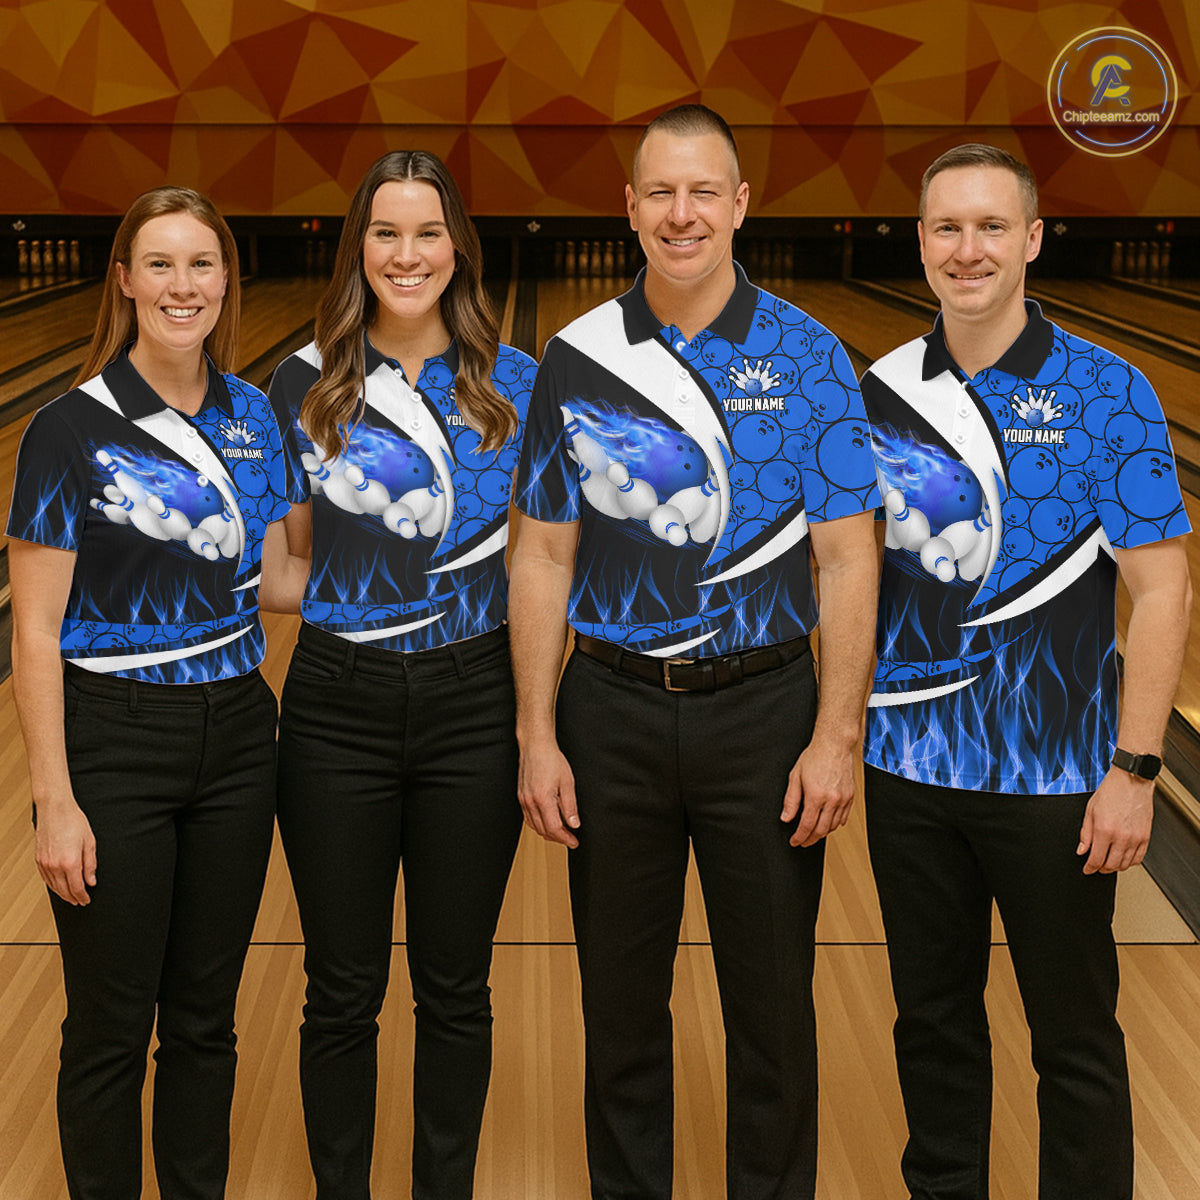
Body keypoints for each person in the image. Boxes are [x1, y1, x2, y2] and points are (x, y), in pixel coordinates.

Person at [510, 104, 880, 1199]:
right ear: (629, 209)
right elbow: (542, 553)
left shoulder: (809, 355)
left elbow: (848, 559)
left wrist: (837, 736)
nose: (682, 214)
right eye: (661, 193)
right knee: (620, 1011)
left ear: (740, 205)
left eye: (703, 191)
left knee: (773, 1013)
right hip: (611, 710)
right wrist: (536, 732)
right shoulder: (576, 358)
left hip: (765, 714)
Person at [859, 144, 1192, 1200]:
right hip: (909, 774)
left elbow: (1165, 590)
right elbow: (846, 578)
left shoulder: (1110, 390)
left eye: (992, 226)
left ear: (1034, 239)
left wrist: (1135, 770)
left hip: (1056, 783)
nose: (969, 250)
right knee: (932, 1025)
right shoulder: (880, 393)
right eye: (947, 228)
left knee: (1073, 1036)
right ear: (921, 242)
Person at [7, 186, 303, 1199]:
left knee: (204, 1022)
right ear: (126, 281)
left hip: (237, 736)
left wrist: (445, 576)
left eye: (202, 264)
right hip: (114, 739)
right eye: (162, 265)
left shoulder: (254, 415)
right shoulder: (67, 430)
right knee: (109, 1025)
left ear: (227, 279)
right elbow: (34, 631)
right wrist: (54, 800)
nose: (184, 286)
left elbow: (276, 577)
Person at [266, 150, 536, 1200]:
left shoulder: (517, 386)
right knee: (340, 991)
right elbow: (290, 566)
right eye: (386, 233)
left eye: (429, 233)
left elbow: (544, 564)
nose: (407, 254)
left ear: (458, 248)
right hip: (337, 707)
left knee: (456, 989)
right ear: (359, 248)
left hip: (477, 704)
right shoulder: (301, 384)